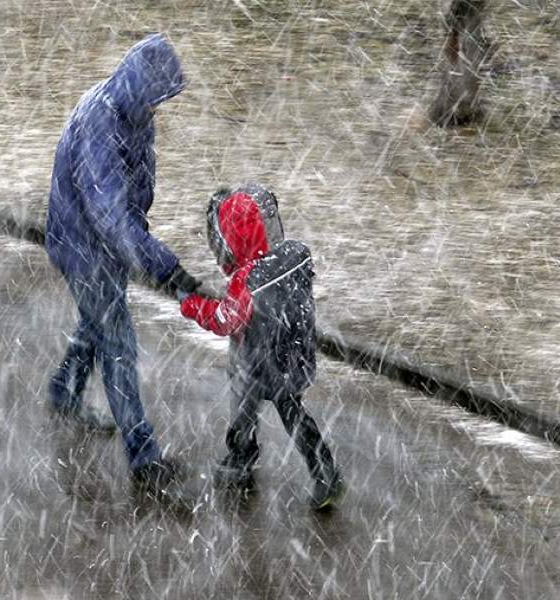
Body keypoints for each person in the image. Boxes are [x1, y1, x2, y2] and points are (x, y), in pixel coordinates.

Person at [45, 34, 203, 494]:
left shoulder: (134, 113)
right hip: (84, 248)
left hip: (105, 247)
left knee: (97, 322)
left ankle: (63, 390)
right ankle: (143, 456)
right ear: (140, 87)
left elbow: (136, 186)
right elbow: (109, 214)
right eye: (155, 98)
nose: (158, 109)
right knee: (118, 345)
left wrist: (140, 241)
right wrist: (163, 265)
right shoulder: (101, 121)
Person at [178, 184, 344, 510]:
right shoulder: (289, 258)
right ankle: (322, 469)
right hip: (291, 353)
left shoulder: (248, 279)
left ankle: (244, 458)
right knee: (292, 412)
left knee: (246, 403)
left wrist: (192, 305)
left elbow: (227, 319)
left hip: (258, 359)